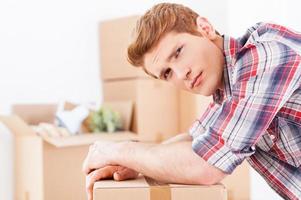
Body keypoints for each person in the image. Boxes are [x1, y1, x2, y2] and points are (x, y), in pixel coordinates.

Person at [83, 3, 301, 200]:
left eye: (178, 52)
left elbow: (206, 165)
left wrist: (119, 151)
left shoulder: (264, 56)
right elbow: (194, 139)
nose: (181, 73)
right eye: (167, 73)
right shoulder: (228, 92)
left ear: (204, 28)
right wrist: (134, 165)